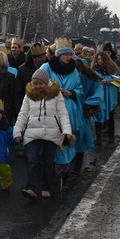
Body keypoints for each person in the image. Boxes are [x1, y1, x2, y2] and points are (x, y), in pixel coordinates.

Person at [14, 68, 72, 200]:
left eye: (40, 83)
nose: (37, 86)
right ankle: (31, 188)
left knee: (48, 162)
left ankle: (45, 186)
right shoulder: (29, 95)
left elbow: (63, 114)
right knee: (33, 160)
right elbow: (23, 114)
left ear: (46, 83)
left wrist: (67, 131)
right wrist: (17, 131)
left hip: (51, 133)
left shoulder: (56, 95)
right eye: (35, 84)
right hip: (32, 133)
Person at [40, 40, 86, 192]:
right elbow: (36, 85)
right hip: (51, 110)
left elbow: (80, 89)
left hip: (69, 112)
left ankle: (64, 180)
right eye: (65, 54)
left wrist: (70, 92)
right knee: (50, 144)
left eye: (70, 54)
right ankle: (49, 178)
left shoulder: (73, 70)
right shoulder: (46, 68)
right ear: (59, 55)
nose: (68, 57)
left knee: (65, 145)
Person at [92, 52, 120, 145]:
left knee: (110, 116)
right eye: (98, 59)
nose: (100, 61)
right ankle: (98, 137)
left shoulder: (112, 69)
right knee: (97, 116)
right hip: (98, 96)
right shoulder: (93, 70)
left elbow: (118, 80)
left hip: (110, 96)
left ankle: (111, 136)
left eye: (102, 59)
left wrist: (107, 81)